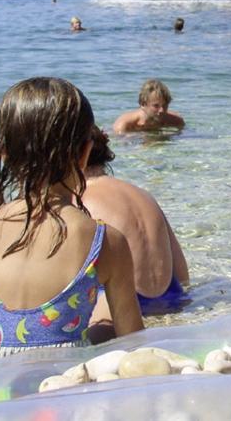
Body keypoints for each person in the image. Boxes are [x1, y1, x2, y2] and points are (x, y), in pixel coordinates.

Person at [0, 78, 143, 367]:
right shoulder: (105, 242)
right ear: (85, 153)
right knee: (106, 330)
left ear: (5, 154)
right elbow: (132, 349)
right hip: (61, 395)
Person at [81, 127, 189, 338]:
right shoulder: (144, 194)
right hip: (172, 296)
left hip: (125, 304)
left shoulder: (82, 199)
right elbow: (182, 273)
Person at [112, 79, 185, 134]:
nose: (162, 110)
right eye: (156, 106)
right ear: (143, 104)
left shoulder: (176, 121)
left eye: (165, 105)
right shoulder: (125, 125)